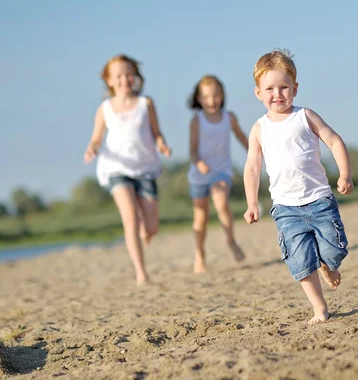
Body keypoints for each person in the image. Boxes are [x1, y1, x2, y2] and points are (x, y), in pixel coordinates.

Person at [242, 50, 353, 324]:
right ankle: (319, 307)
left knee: (334, 249)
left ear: (295, 88)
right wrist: (252, 203)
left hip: (318, 199)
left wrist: (345, 174)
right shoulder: (259, 129)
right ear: (258, 93)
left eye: (284, 87)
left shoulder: (305, 116)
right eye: (269, 88)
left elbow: (335, 141)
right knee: (300, 260)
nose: (277, 94)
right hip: (285, 207)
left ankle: (327, 264)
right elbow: (253, 167)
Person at [84, 54, 171, 286]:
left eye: (129, 74)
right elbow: (96, 137)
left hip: (145, 169)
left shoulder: (146, 104)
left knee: (151, 227)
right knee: (130, 217)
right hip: (116, 168)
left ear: (136, 77)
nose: (125, 79)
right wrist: (91, 149)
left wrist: (162, 144)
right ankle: (141, 273)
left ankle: (146, 231)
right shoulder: (105, 109)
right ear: (110, 80)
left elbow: (156, 132)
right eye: (119, 76)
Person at [187, 75, 249, 273]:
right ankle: (200, 255)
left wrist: (256, 152)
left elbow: (242, 138)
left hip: (221, 171)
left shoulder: (228, 118)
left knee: (221, 203)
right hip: (199, 174)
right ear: (198, 99)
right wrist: (199, 162)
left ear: (222, 95)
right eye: (205, 97)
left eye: (215, 96)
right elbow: (193, 150)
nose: (211, 101)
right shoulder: (196, 121)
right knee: (201, 218)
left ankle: (231, 241)